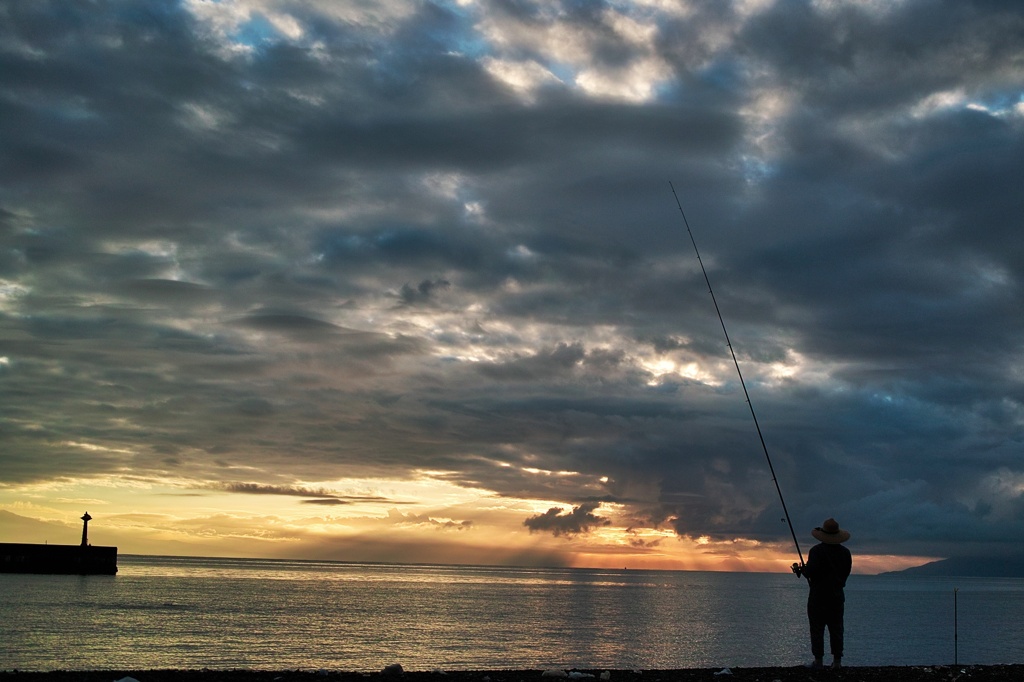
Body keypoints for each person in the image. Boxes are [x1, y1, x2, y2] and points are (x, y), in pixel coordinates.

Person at [791, 518, 852, 669]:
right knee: (836, 629)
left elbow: (810, 572)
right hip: (837, 597)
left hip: (818, 597)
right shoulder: (845, 553)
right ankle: (837, 662)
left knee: (817, 629)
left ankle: (818, 661)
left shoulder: (816, 551)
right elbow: (845, 574)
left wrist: (802, 570)